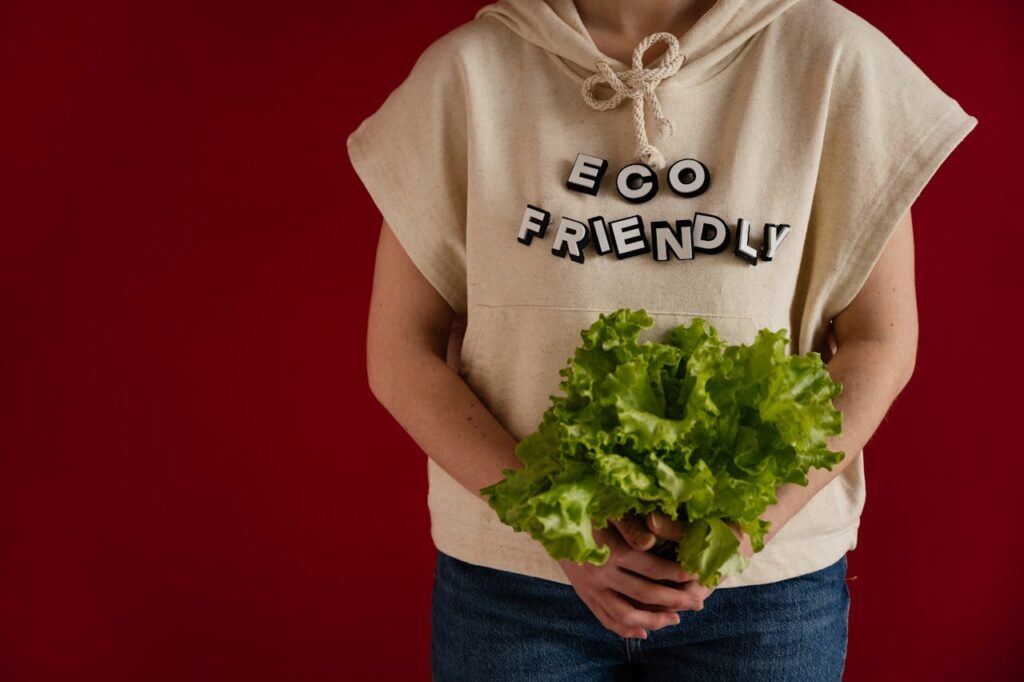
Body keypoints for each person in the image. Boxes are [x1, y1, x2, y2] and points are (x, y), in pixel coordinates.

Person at [348, 0, 978, 678]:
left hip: (763, 595)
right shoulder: (468, 73)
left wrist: (746, 526)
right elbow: (400, 354)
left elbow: (879, 344)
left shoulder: (831, 59)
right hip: (516, 585)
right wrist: (560, 527)